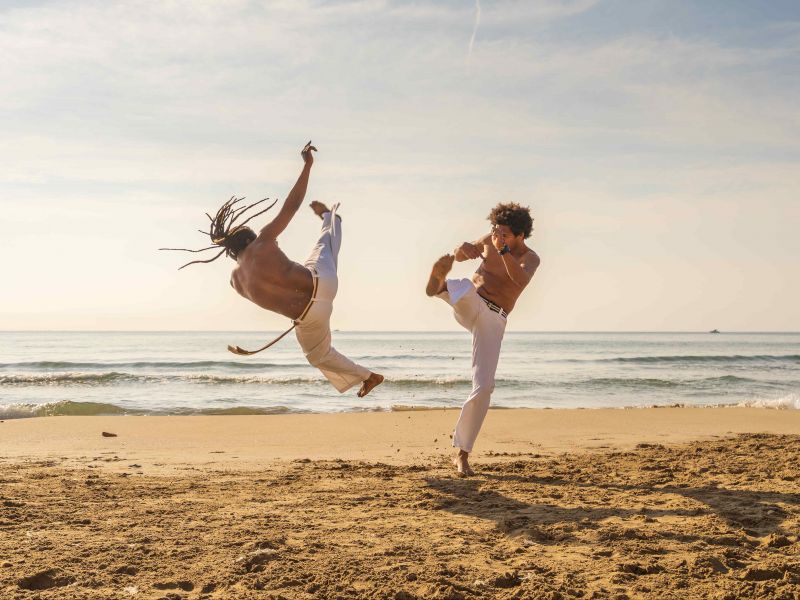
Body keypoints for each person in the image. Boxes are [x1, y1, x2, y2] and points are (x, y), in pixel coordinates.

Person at [163, 142, 384, 398]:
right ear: (249, 239)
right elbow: (292, 205)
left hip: (310, 315)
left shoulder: (235, 282)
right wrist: (307, 166)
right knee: (323, 245)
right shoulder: (263, 242)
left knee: (317, 356)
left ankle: (368, 377)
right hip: (322, 282)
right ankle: (330, 219)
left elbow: (273, 298)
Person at [425, 203, 540, 475]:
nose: (496, 236)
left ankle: (462, 454)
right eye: (494, 230)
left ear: (520, 236)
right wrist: (461, 250)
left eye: (504, 234)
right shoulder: (490, 240)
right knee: (464, 286)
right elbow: (462, 253)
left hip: (494, 319)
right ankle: (439, 284)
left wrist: (502, 250)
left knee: (484, 387)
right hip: (471, 301)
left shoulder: (530, 258)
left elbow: (519, 279)